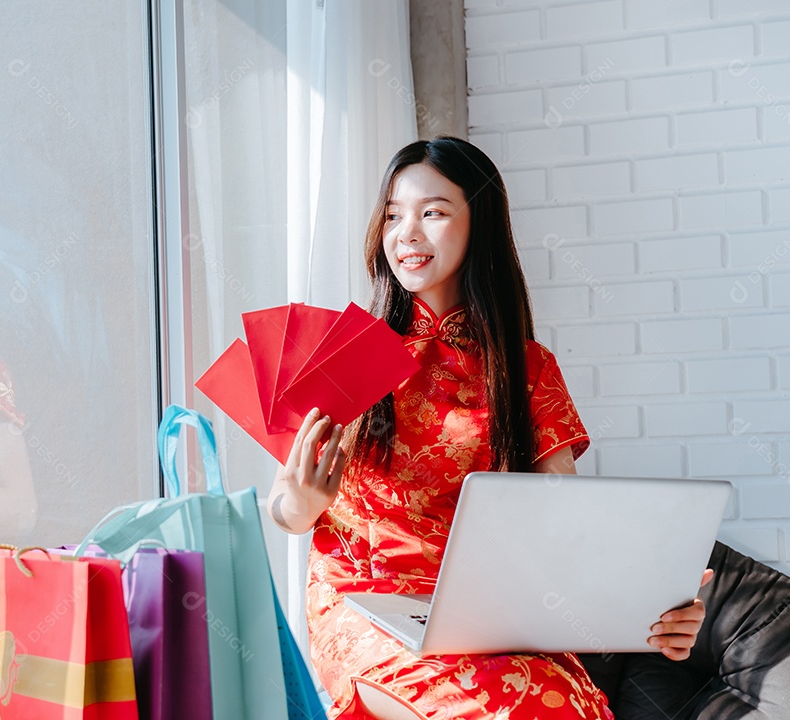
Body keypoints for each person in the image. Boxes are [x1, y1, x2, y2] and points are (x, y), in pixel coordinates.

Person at [267, 136, 711, 720]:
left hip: (488, 615)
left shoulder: (526, 367)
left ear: (482, 225)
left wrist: (651, 605)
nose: (408, 233)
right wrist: (299, 502)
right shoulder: (345, 353)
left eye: (433, 212)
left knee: (561, 708)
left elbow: (568, 527)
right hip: (366, 603)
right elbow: (284, 509)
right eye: (394, 216)